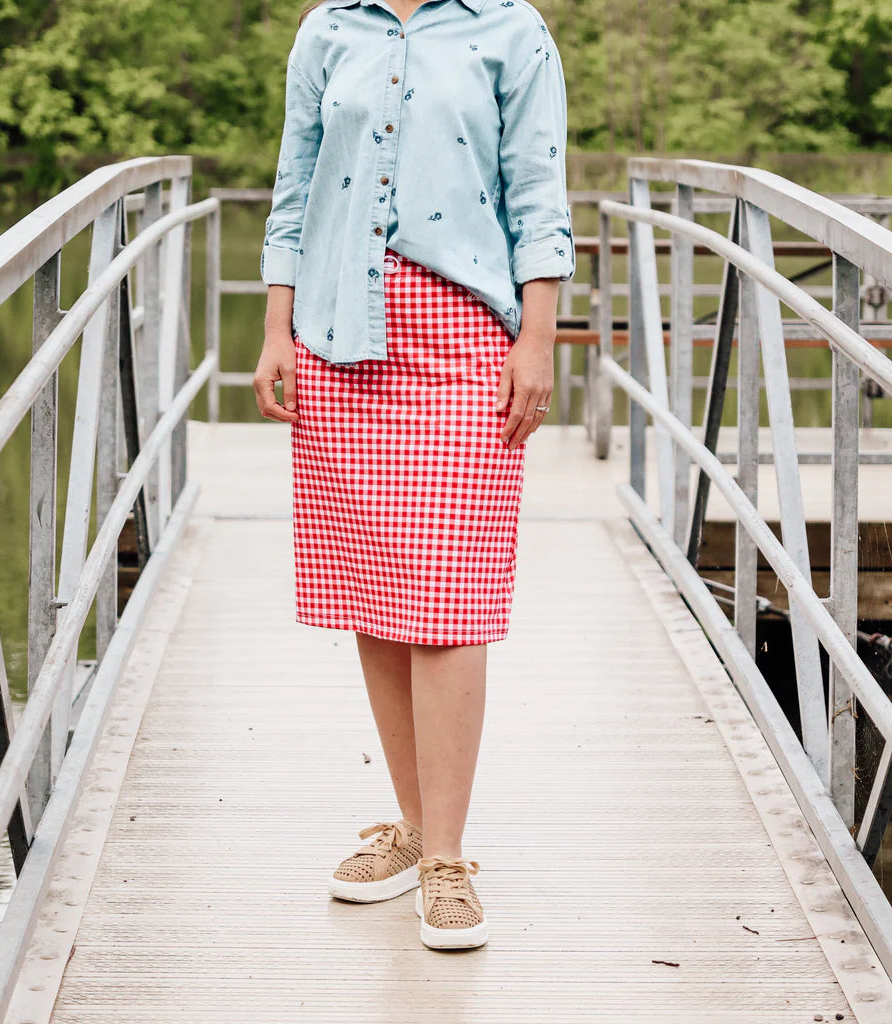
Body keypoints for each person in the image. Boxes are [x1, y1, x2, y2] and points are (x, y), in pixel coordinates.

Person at [253, 0, 574, 950]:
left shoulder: (512, 31)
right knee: (374, 587)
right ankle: (414, 825)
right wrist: (276, 330)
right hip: (338, 332)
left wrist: (538, 340)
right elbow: (295, 186)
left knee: (450, 595)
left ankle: (447, 860)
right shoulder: (328, 30)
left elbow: (538, 194)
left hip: (464, 335)